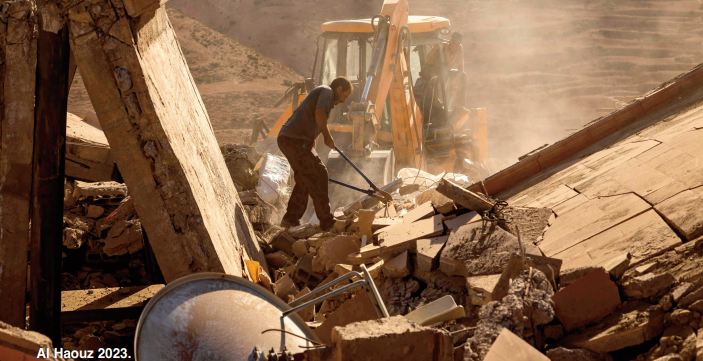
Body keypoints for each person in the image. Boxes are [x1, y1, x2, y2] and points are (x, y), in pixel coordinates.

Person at [277, 77, 353, 231]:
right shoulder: (326, 91)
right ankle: (326, 221)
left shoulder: (325, 94)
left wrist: (312, 143)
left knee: (305, 178)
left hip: (294, 140)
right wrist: (327, 135)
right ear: (338, 89)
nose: (343, 101)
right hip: (294, 140)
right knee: (320, 174)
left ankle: (290, 219)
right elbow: (319, 114)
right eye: (345, 96)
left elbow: (311, 119)